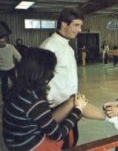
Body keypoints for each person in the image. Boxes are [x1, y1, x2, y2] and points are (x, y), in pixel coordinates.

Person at [40, 8, 107, 148]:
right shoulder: (49, 48)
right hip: (57, 109)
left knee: (72, 141)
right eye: (76, 25)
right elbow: (39, 82)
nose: (80, 29)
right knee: (62, 144)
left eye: (80, 25)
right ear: (64, 24)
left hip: (70, 106)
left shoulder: (67, 47)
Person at [2, 48, 88, 151]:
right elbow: (58, 134)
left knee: (69, 107)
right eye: (52, 70)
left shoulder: (18, 88)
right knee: (69, 127)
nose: (52, 74)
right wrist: (78, 110)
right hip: (29, 146)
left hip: (15, 141)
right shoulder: (34, 100)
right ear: (42, 73)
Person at [0, 21, 21, 100]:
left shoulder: (10, 47)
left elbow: (18, 57)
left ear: (5, 40)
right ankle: (5, 98)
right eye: (0, 42)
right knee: (4, 85)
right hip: (2, 70)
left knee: (15, 82)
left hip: (11, 68)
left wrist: (23, 64)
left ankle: (17, 96)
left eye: (3, 41)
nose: (2, 43)